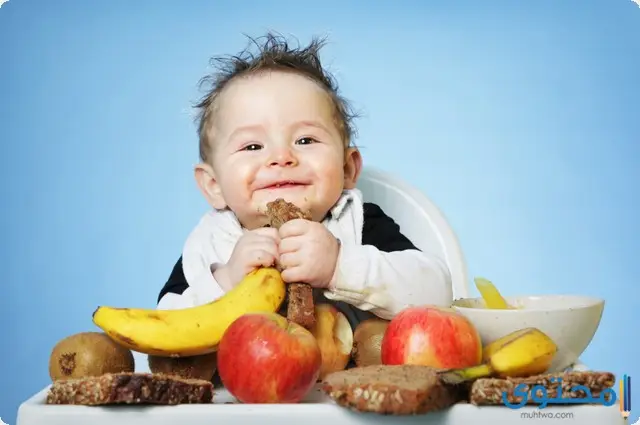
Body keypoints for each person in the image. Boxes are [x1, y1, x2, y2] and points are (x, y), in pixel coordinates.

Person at [156, 33, 453, 327]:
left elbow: (437, 293)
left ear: (347, 169)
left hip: (358, 374)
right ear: (213, 185)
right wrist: (226, 280)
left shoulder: (360, 224)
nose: (281, 157)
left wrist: (339, 266)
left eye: (306, 139)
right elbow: (164, 327)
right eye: (253, 147)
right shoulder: (211, 242)